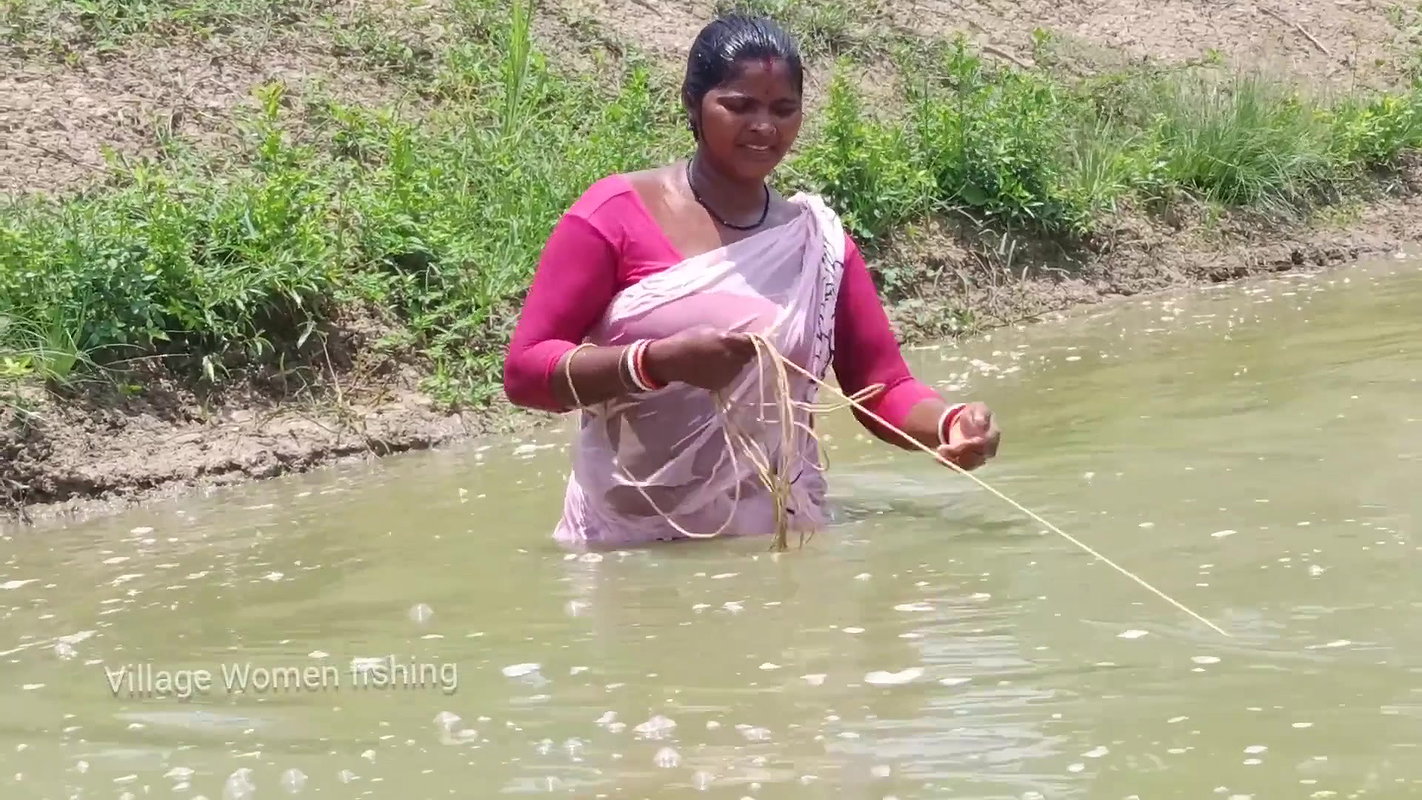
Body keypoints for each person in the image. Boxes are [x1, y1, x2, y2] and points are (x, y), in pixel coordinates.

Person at [502, 14, 1001, 550]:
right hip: (628, 548)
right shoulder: (615, 215)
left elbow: (882, 389)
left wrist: (948, 423)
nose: (765, 126)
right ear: (693, 105)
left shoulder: (817, 244)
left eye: (783, 109)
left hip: (775, 540)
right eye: (740, 106)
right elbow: (526, 372)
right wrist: (654, 362)